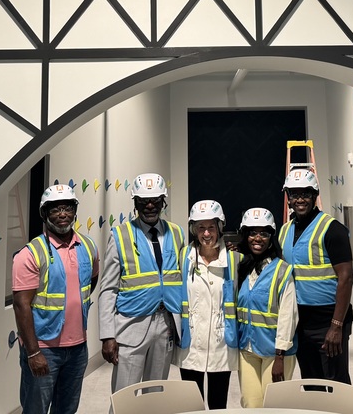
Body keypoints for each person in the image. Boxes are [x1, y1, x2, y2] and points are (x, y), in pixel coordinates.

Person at [12, 184, 99, 414]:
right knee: (36, 410)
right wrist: (33, 353)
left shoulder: (88, 246)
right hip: (44, 349)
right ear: (44, 214)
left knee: (67, 410)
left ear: (74, 211)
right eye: (55, 209)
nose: (62, 214)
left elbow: (92, 280)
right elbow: (21, 305)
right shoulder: (31, 253)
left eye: (68, 208)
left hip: (78, 348)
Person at [98, 172, 186, 401]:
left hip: (165, 323)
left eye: (155, 200)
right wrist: (107, 335)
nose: (149, 206)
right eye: (143, 201)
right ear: (135, 203)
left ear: (163, 202)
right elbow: (108, 289)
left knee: (155, 395)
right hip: (131, 328)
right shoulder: (120, 235)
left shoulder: (177, 233)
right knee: (125, 397)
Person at [278, 168, 353, 383]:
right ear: (289, 199)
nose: (300, 199)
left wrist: (336, 326)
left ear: (314, 196)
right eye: (294, 194)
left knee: (335, 382)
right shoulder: (285, 231)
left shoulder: (332, 229)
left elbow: (346, 278)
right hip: (300, 320)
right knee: (311, 381)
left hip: (328, 320)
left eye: (305, 193)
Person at [176, 199, 241, 409]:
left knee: (218, 404)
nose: (206, 233)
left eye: (211, 227)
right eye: (200, 227)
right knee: (191, 405)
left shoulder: (233, 259)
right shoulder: (183, 257)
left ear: (220, 227)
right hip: (191, 342)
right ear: (193, 229)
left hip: (221, 344)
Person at [236, 207, 298, 408]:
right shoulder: (241, 268)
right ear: (245, 236)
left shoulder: (282, 270)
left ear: (271, 237)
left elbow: (289, 316)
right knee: (251, 404)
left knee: (273, 407)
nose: (258, 238)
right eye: (252, 233)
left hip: (275, 353)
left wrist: (280, 356)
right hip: (247, 349)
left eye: (264, 233)